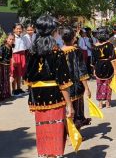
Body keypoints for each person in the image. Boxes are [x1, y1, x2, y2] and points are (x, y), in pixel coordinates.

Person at [24, 15, 74, 158]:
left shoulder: (32, 53)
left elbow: (28, 79)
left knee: (43, 129)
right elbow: (63, 82)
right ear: (53, 32)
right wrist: (70, 105)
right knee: (56, 130)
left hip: (39, 99)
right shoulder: (57, 53)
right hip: (55, 97)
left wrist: (34, 97)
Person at [61, 27, 91, 129]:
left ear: (62, 39)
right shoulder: (76, 51)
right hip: (75, 87)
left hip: (63, 87)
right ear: (74, 39)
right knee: (77, 110)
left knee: (66, 110)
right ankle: (75, 134)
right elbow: (81, 70)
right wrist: (87, 88)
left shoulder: (58, 52)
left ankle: (68, 134)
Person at [92, 27, 116, 109]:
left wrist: (94, 70)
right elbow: (112, 58)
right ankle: (107, 103)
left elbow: (93, 61)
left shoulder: (94, 47)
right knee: (108, 85)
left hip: (99, 66)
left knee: (99, 85)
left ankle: (100, 103)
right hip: (108, 66)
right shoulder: (110, 45)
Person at [0, 33, 14, 101]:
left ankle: (6, 93)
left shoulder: (10, 47)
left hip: (7, 66)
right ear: (6, 39)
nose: (11, 41)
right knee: (1, 80)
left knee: (6, 80)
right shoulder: (2, 47)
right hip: (1, 66)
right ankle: (0, 95)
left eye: (12, 39)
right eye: (10, 39)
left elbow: (10, 57)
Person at [11, 23, 27, 96]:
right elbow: (10, 49)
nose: (19, 30)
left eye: (20, 29)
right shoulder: (12, 38)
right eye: (17, 29)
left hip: (22, 55)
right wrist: (12, 59)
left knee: (20, 73)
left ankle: (19, 88)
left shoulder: (22, 37)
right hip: (15, 55)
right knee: (14, 73)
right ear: (14, 29)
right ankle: (14, 90)